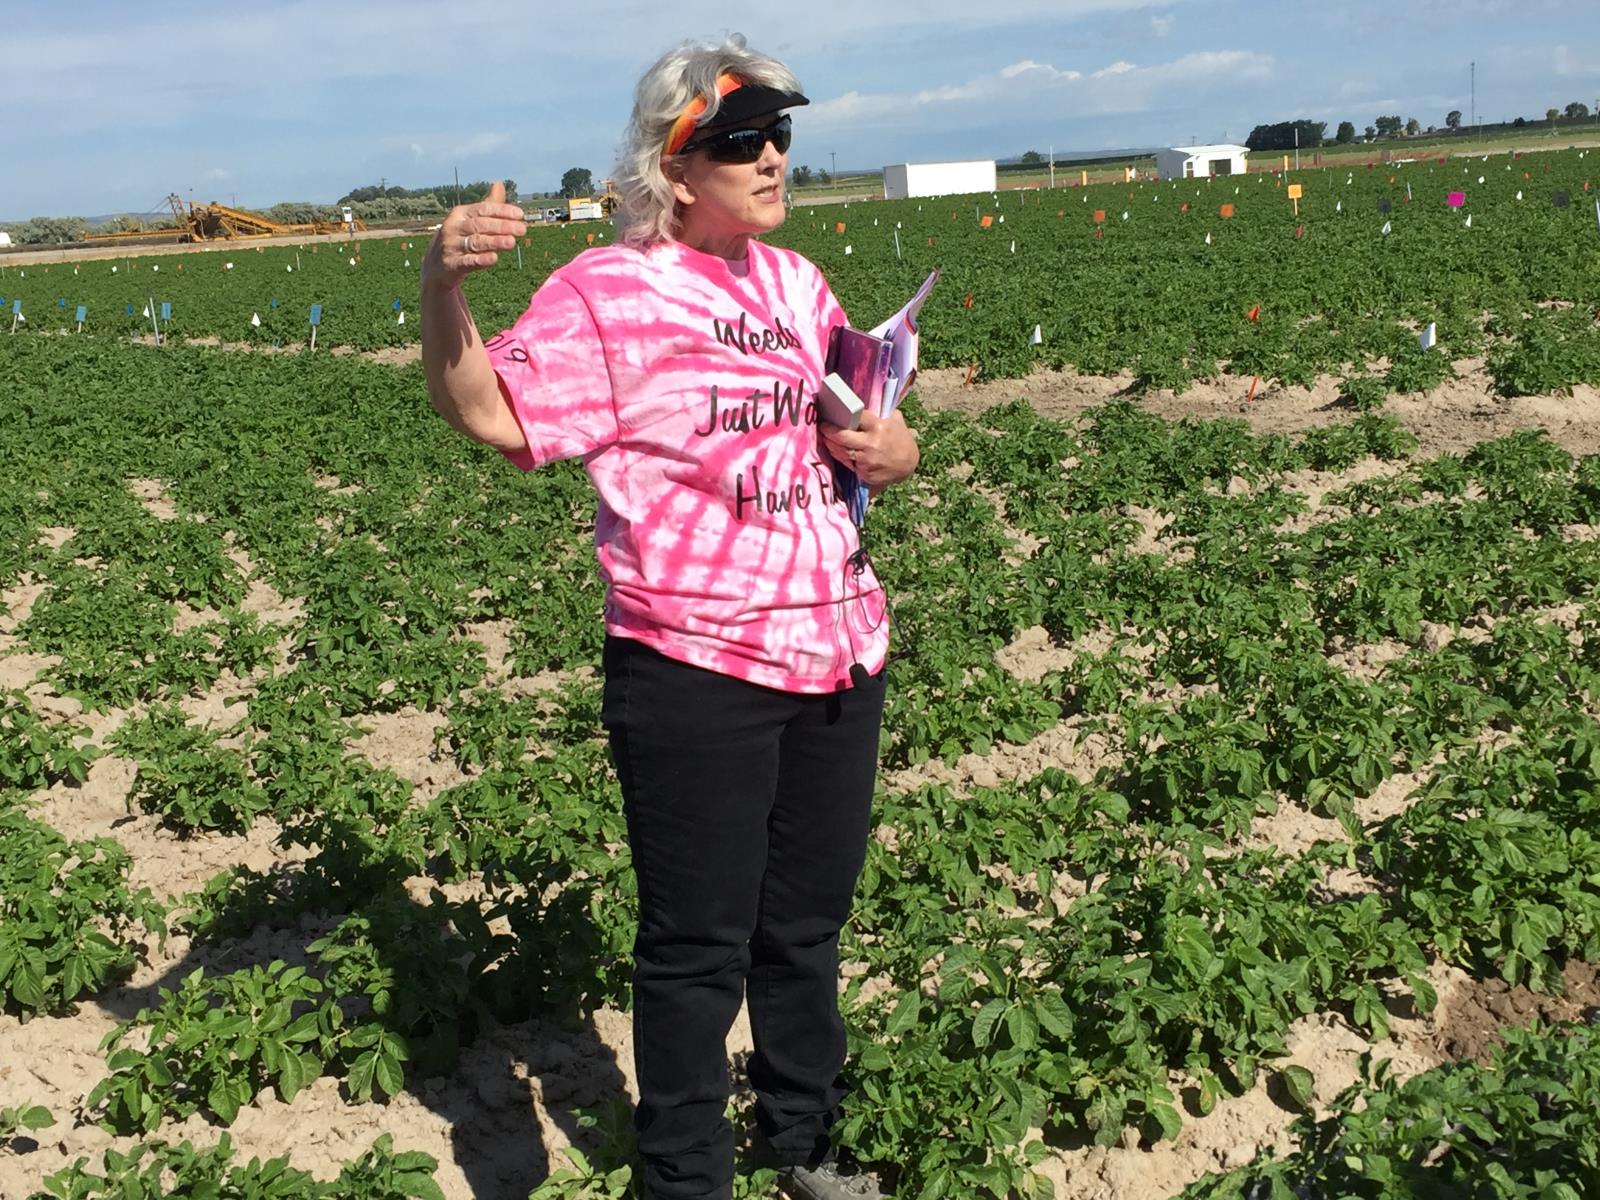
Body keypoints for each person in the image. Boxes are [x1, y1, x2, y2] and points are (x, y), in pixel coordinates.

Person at [419, 32, 919, 1200]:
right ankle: (685, 1178)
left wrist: (893, 449)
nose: (772, 157)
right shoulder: (610, 291)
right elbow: (488, 412)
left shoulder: (797, 286)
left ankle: (806, 1147)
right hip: (697, 665)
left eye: (778, 135)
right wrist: (440, 285)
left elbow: (869, 431)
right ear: (672, 164)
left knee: (804, 935)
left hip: (838, 648)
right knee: (696, 953)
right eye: (742, 140)